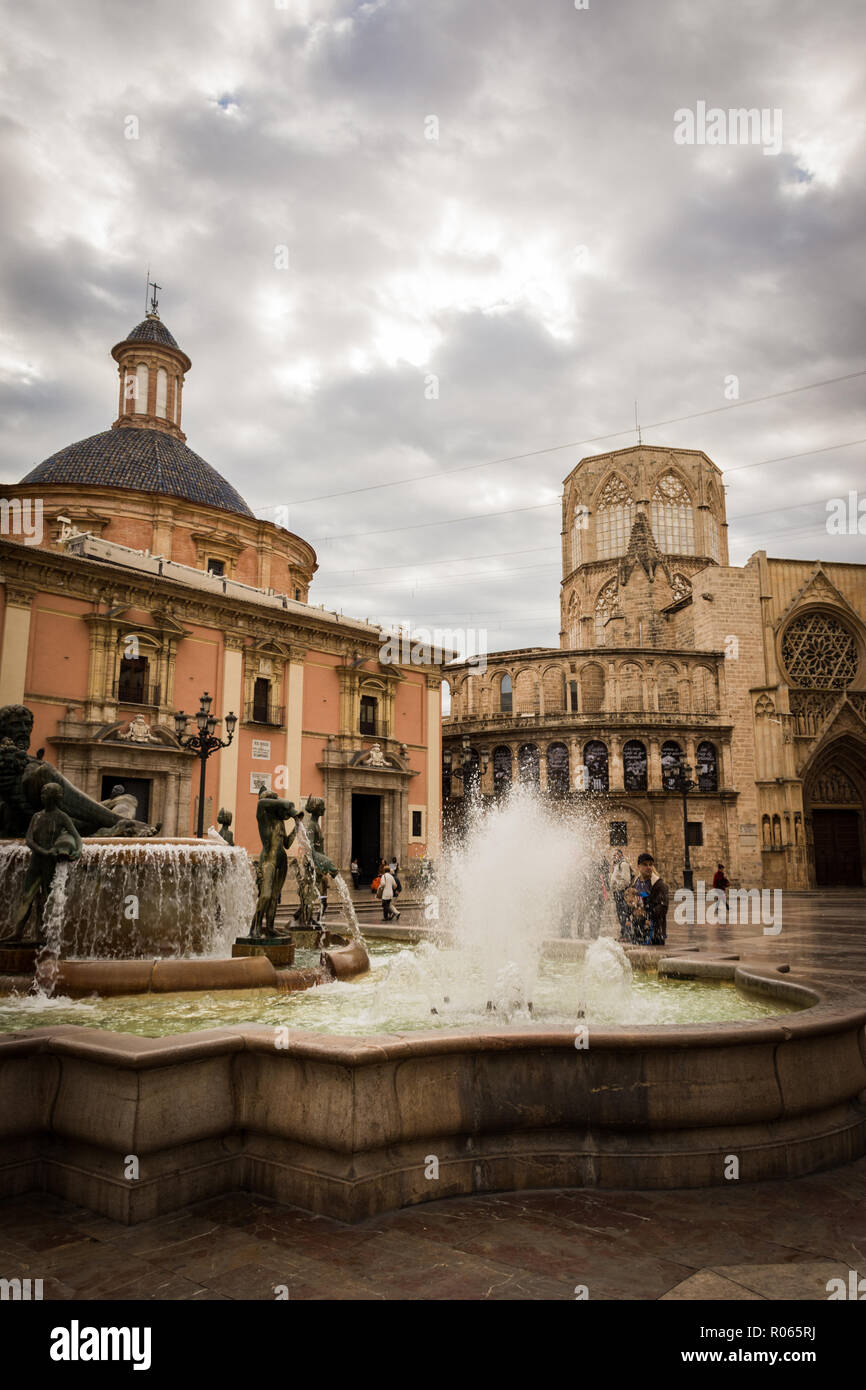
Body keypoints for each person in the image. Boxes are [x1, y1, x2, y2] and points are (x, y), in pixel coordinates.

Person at [626, 852, 669, 946]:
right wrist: (631, 908)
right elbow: (630, 902)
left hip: (655, 930)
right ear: (639, 866)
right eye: (645, 865)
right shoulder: (635, 883)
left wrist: (646, 914)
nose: (649, 867)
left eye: (650, 864)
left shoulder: (658, 884)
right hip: (638, 928)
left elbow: (663, 907)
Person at [610, 849, 634, 939]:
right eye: (613, 855)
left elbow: (626, 880)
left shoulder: (623, 864)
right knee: (620, 913)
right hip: (617, 892)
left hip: (622, 892)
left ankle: (627, 933)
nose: (614, 856)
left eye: (616, 854)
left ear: (620, 855)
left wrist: (617, 887)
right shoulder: (616, 865)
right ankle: (624, 932)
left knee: (624, 913)